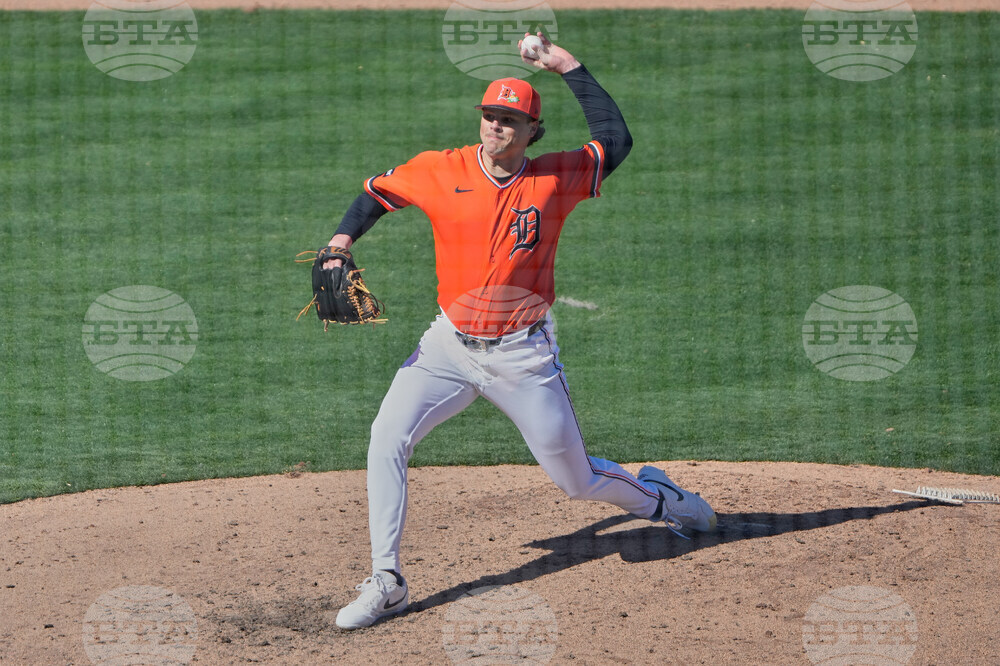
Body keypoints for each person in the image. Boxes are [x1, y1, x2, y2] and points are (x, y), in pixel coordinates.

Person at [327, 32, 716, 631]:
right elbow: (376, 194)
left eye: (510, 119)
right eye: (490, 115)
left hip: (523, 356)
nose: (496, 127)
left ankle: (661, 498)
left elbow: (616, 140)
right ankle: (387, 579)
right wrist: (339, 243)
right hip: (447, 347)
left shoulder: (556, 178)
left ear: (533, 131)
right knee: (386, 437)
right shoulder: (438, 170)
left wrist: (566, 65)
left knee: (578, 481)